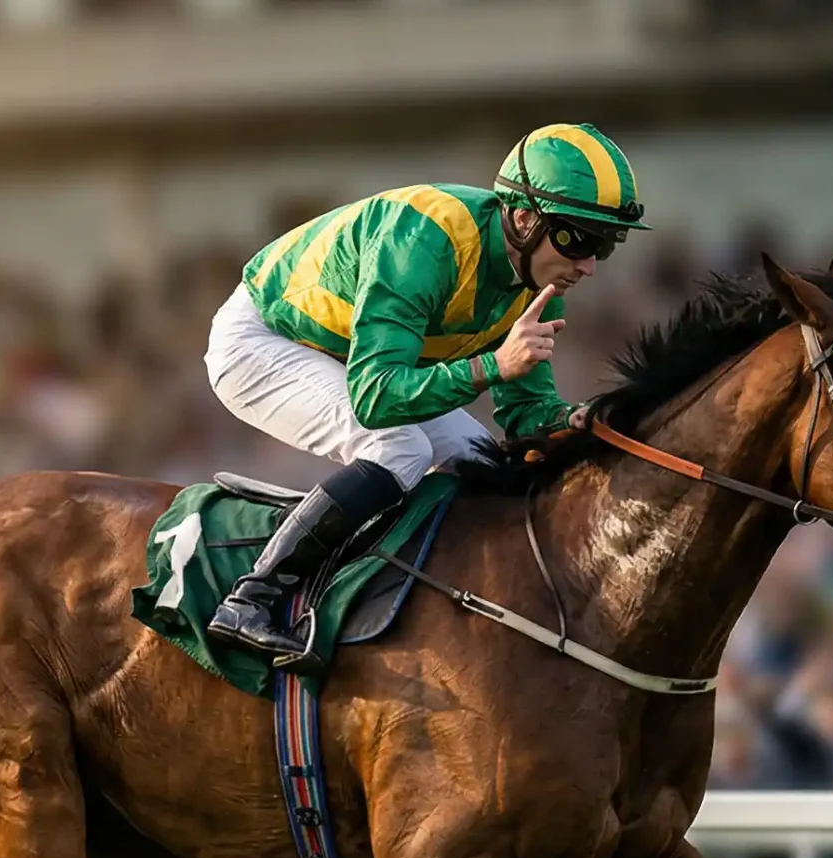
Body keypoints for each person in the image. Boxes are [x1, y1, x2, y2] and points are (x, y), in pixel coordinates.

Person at [202, 123, 648, 662]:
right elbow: (375, 397)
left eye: (606, 244)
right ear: (524, 219)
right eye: (580, 240)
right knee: (400, 447)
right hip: (263, 340)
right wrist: (492, 365)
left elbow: (526, 414)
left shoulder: (540, 282)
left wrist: (579, 420)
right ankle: (250, 599)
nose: (590, 265)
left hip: (349, 354)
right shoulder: (424, 241)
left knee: (476, 459)